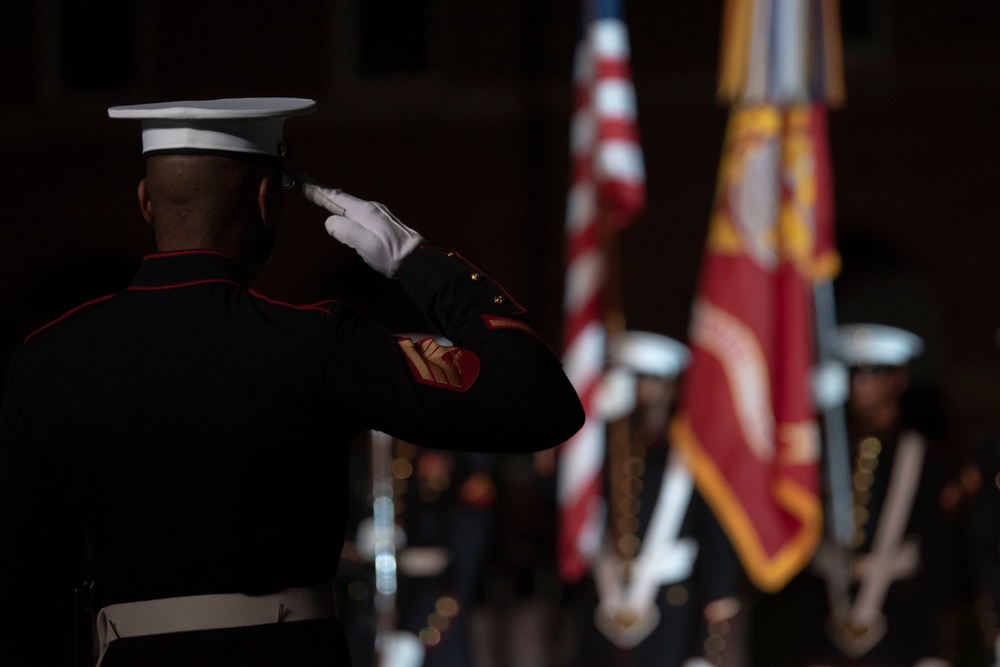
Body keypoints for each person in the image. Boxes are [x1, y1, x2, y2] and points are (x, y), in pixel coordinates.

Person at [0, 97, 585, 666]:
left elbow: (27, 578)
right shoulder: (316, 343)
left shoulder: (48, 360)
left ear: (146, 202)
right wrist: (418, 263)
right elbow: (537, 401)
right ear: (264, 201)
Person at [782, 323, 959, 667]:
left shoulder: (924, 459)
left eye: (876, 373)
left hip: (899, 628)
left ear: (899, 380)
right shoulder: (826, 451)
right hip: (825, 628)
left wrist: (935, 651)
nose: (861, 384)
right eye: (853, 373)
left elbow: (938, 560)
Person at [569, 331, 742, 667]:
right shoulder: (596, 451)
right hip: (601, 613)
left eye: (647, 381)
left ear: (672, 388)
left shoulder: (692, 457)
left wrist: (703, 651)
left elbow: (716, 553)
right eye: (626, 379)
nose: (636, 392)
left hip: (671, 614)